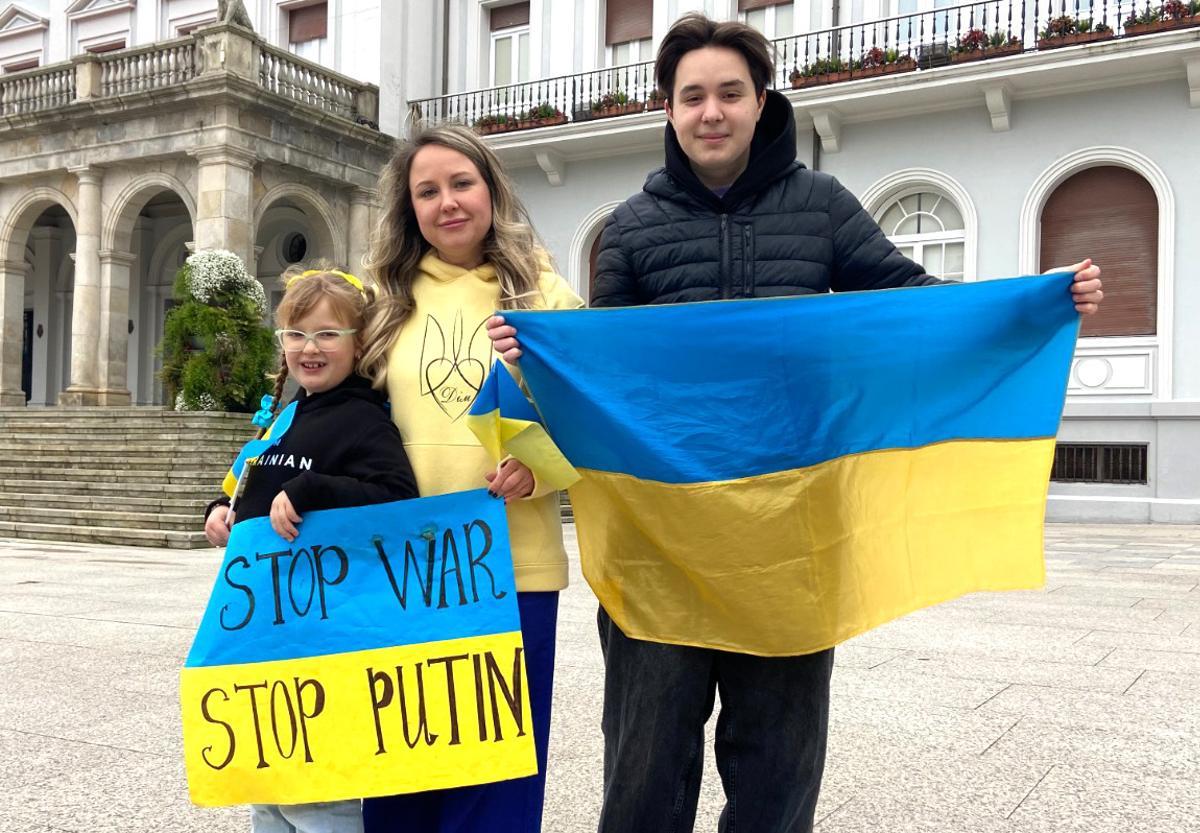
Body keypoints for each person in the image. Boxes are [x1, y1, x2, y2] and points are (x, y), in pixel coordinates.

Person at [486, 13, 1105, 833]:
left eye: (730, 94)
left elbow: (908, 302)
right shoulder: (631, 227)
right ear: (667, 109)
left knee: (778, 763)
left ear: (760, 100)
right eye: (693, 95)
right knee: (644, 760)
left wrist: (1030, 303)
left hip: (791, 535)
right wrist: (533, 359)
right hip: (660, 537)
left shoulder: (821, 206)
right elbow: (607, 373)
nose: (712, 112)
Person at [356, 123, 584, 833]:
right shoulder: (378, 300)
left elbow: (590, 409)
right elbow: (322, 412)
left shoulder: (541, 288)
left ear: (490, 188)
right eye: (428, 190)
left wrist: (539, 471)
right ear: (409, 207)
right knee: (401, 769)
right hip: (399, 568)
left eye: (461, 183)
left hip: (510, 566)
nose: (447, 202)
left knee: (496, 775)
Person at [203, 266, 418, 833]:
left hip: (324, 644)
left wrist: (316, 490)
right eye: (296, 334)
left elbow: (397, 498)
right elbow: (250, 483)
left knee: (321, 801)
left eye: (327, 334)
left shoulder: (363, 419)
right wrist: (220, 512)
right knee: (268, 795)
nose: (309, 348)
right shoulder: (287, 417)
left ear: (359, 343)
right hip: (263, 643)